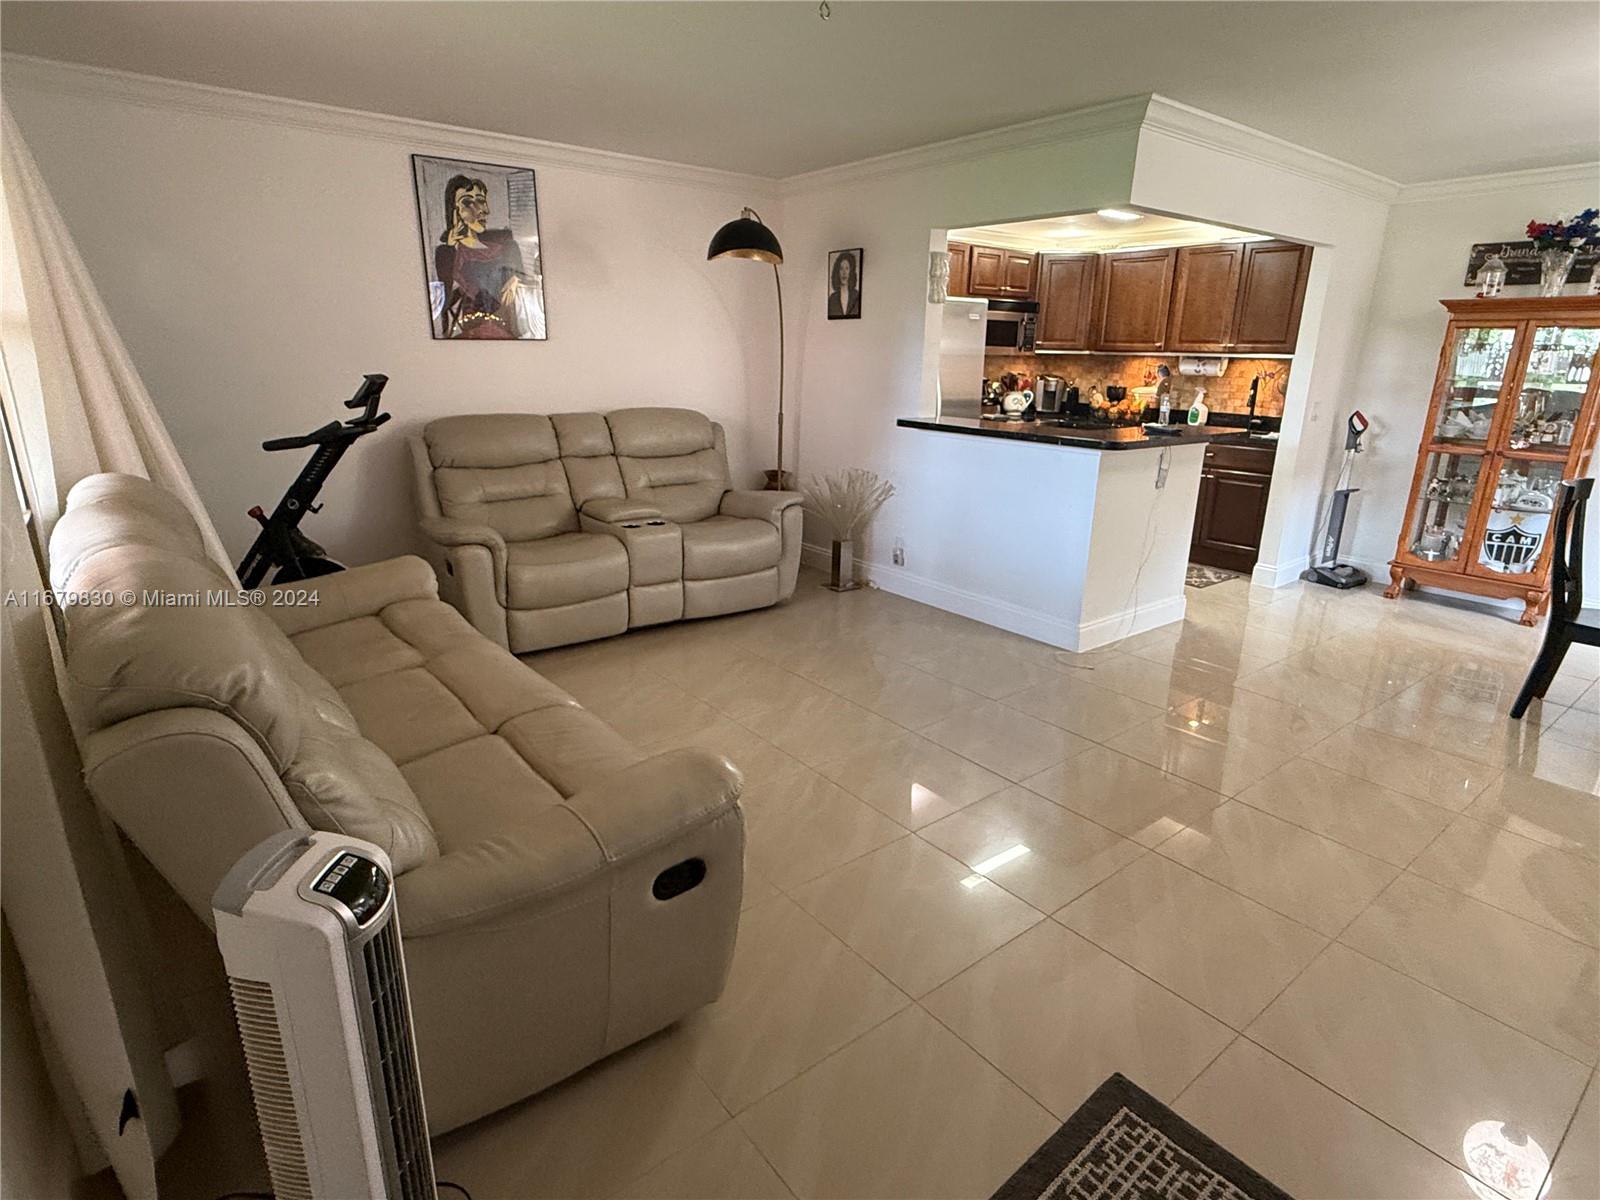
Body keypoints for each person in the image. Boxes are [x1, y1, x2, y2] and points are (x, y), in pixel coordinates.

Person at [432, 174, 543, 339]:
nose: (483, 211)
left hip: (512, 323)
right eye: (469, 203)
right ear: (455, 211)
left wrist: (515, 279)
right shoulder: (448, 252)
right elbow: (443, 302)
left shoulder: (507, 246)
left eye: (482, 201)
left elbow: (529, 283)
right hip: (477, 324)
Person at [828, 251, 860, 318]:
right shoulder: (832, 298)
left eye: (847, 268)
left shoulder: (857, 295)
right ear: (837, 272)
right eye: (841, 268)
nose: (844, 273)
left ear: (851, 272)